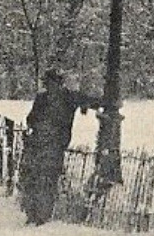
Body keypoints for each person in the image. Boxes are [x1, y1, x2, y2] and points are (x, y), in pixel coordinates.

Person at [18, 68, 99, 226]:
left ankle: (37, 215)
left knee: (40, 179)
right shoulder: (62, 97)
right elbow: (31, 118)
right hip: (48, 145)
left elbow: (31, 119)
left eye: (49, 82)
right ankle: (38, 215)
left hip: (46, 144)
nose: (48, 86)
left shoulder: (61, 97)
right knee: (43, 179)